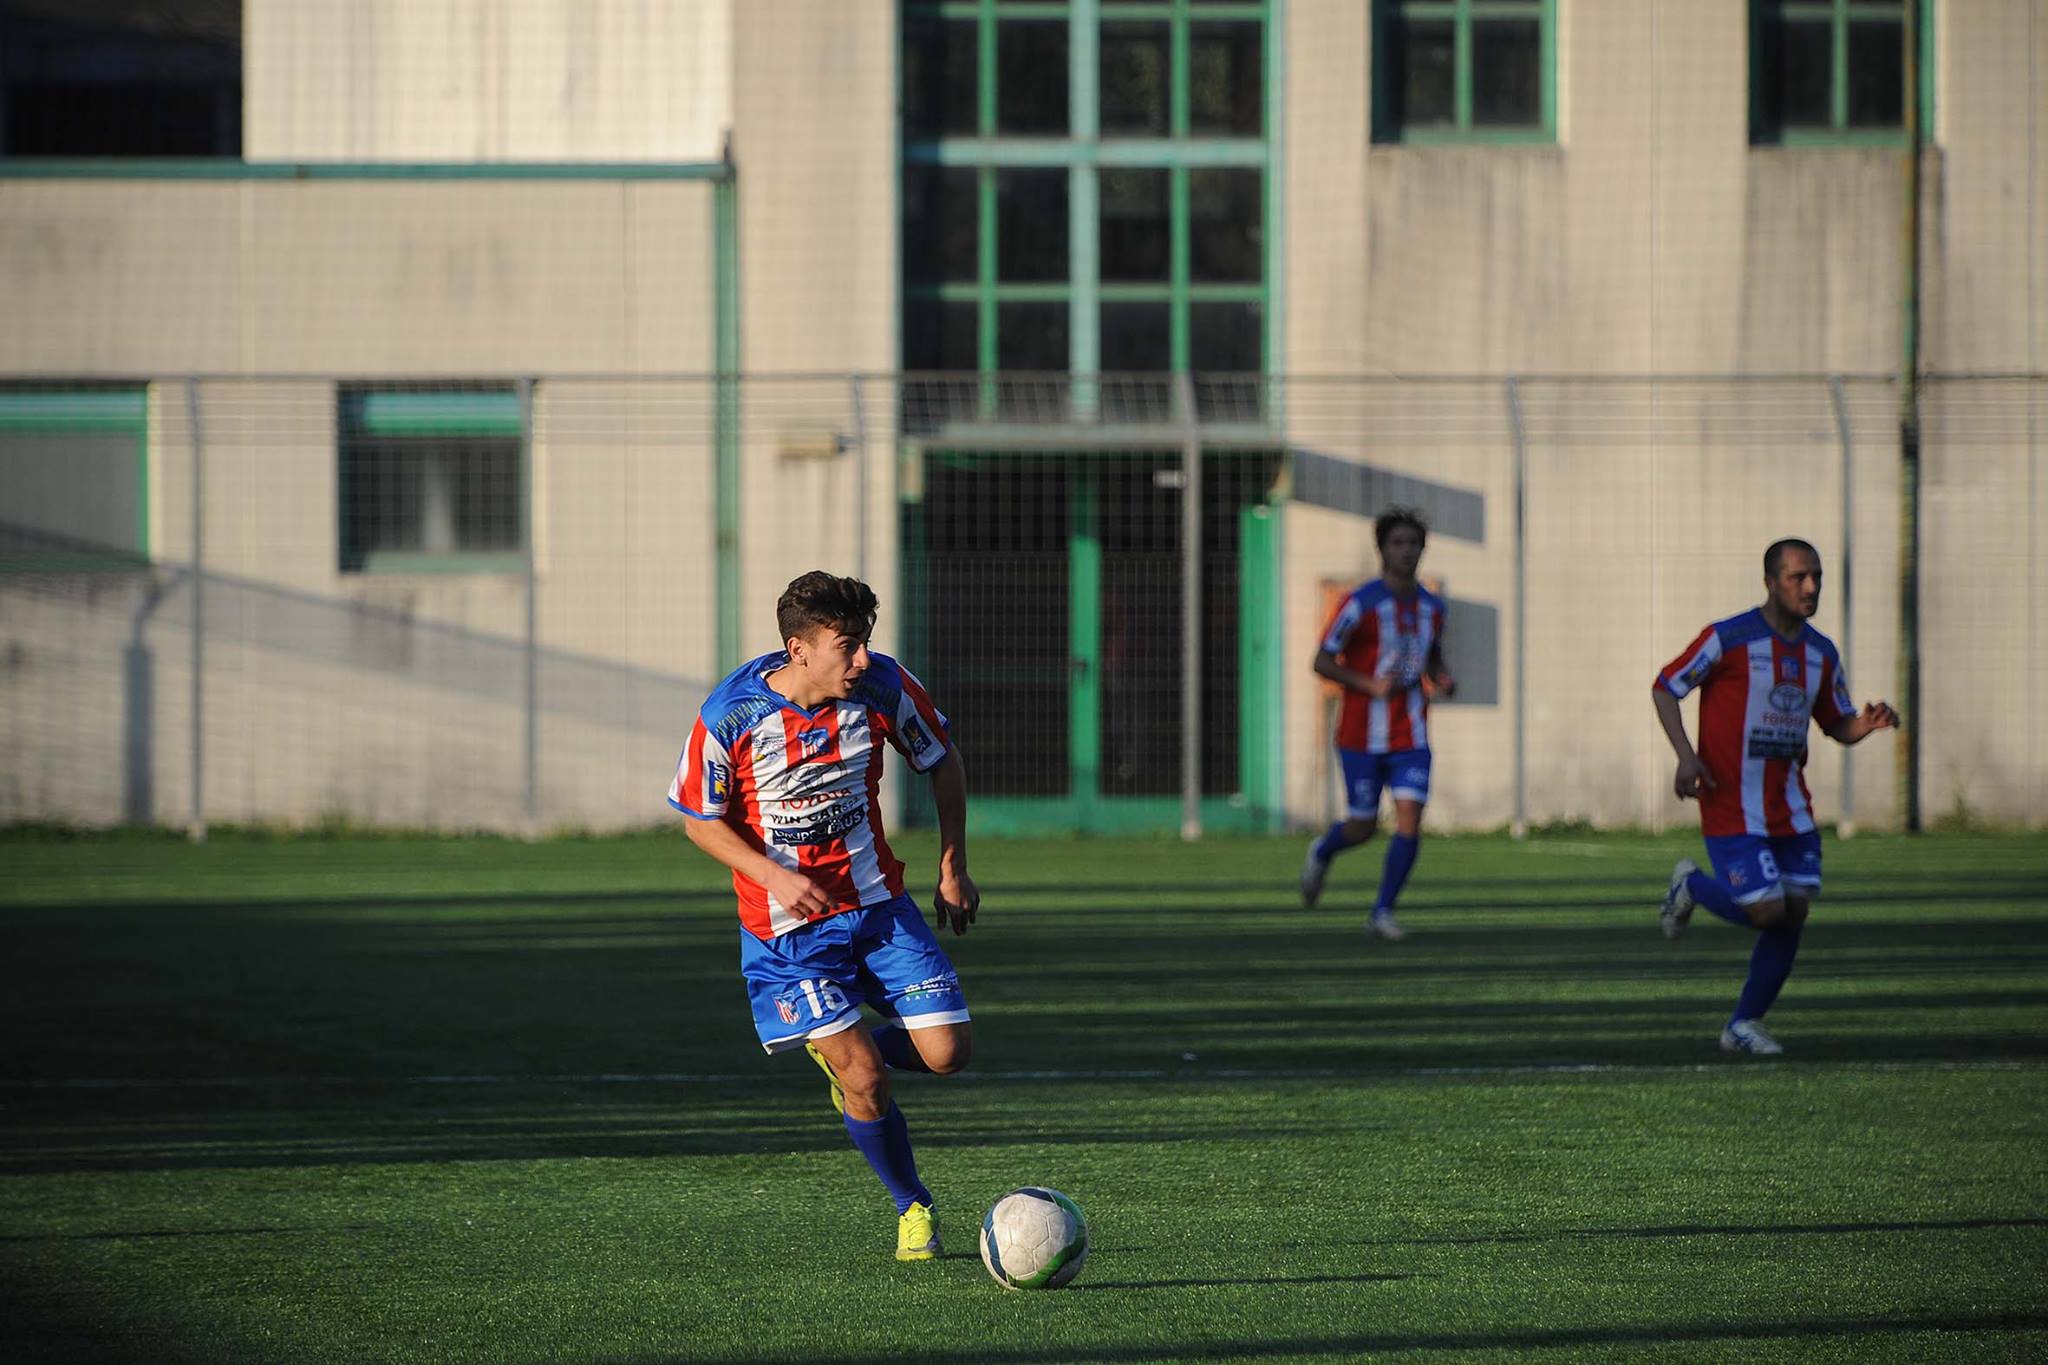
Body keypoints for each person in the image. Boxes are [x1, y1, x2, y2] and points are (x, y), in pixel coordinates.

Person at [668, 570, 980, 1260]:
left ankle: (847, 1052)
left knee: (950, 1053)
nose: (862, 658)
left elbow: (943, 760)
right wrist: (775, 873)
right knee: (866, 1076)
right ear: (798, 647)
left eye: (865, 640)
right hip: (787, 935)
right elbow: (698, 819)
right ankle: (913, 1206)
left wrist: (951, 864)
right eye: (848, 644)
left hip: (878, 908)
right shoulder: (732, 713)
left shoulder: (882, 686)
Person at [1653, 539, 1899, 1055]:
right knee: (1768, 912)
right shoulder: (1728, 639)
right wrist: (1685, 755)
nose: (1810, 587)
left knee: (1795, 911)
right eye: (1798, 577)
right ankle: (1693, 885)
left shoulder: (1820, 652)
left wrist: (1866, 725)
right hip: (1729, 800)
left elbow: (1835, 724)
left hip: (1790, 805)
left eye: (1817, 577)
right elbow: (1665, 685)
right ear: (1770, 582)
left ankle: (1743, 1024)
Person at [1300, 507, 1456, 939]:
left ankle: (1382, 911)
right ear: (1383, 550)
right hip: (1359, 734)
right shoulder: (1361, 603)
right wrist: (1366, 684)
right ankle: (1323, 849)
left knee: (1409, 817)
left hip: (1411, 732)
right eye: (1398, 544)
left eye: (1414, 544)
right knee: (1362, 825)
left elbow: (1432, 657)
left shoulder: (1432, 607)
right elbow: (1321, 660)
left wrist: (1442, 677)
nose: (1407, 552)